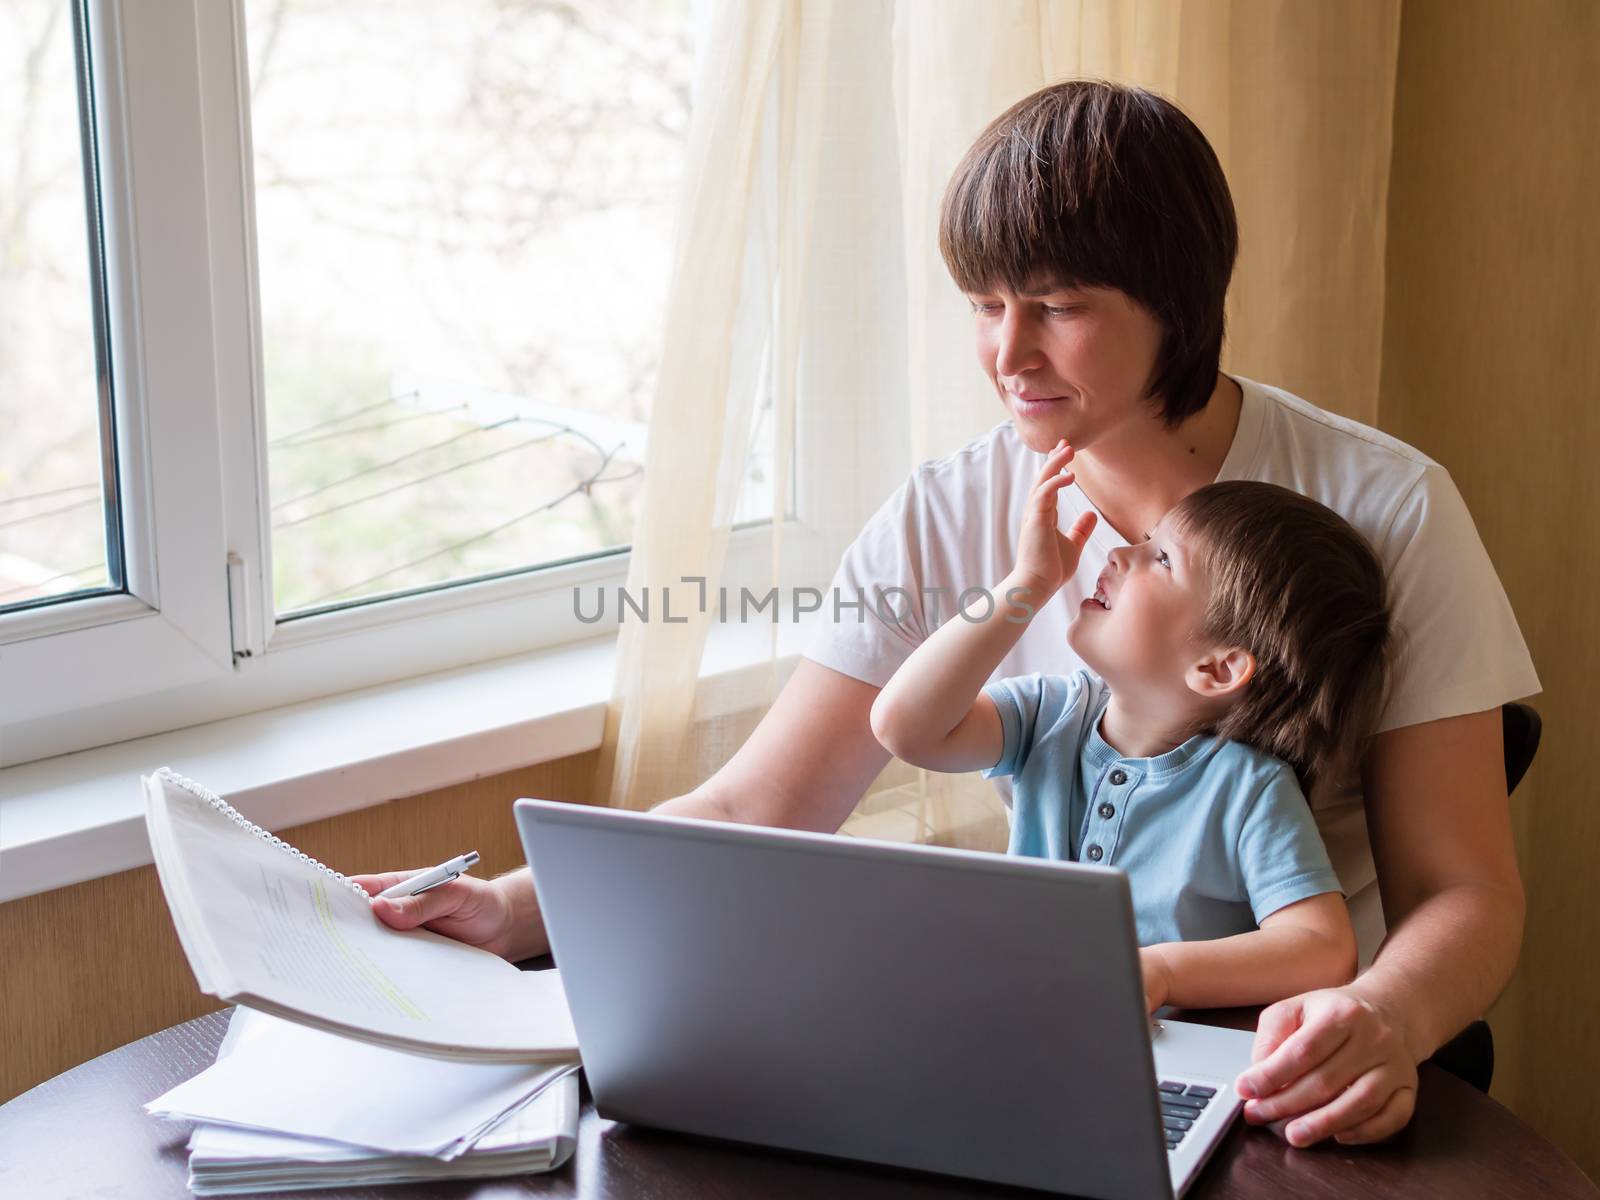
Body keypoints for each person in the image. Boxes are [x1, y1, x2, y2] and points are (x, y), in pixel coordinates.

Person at [353, 79, 1538, 1148]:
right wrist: (511, 909)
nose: (1006, 353)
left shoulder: (1385, 507)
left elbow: (1462, 892)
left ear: (1178, 304)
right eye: (983, 304)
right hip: (1024, 1027)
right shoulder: (952, 509)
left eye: (1056, 306)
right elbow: (762, 804)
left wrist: (1377, 1017)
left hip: (1276, 1062)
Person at [871, 453, 1391, 1014]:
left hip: (1160, 1054)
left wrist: (1162, 972)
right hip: (1018, 1019)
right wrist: (1028, 584)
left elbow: (1323, 948)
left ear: (1217, 668)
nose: (1120, 554)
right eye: (1146, 540)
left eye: (1163, 559)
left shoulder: (1249, 790)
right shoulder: (1050, 712)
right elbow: (906, 727)